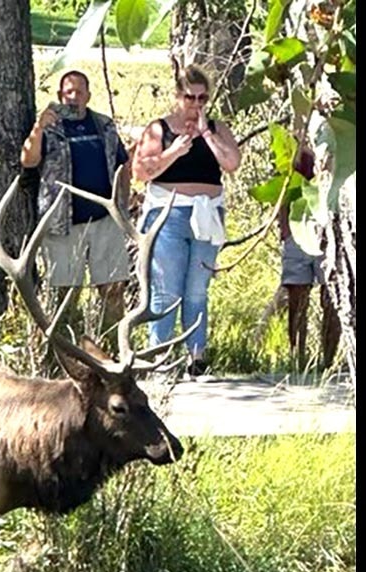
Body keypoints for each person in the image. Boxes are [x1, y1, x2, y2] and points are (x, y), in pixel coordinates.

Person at [130, 64, 241, 378]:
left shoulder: (217, 128)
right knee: (167, 290)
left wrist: (206, 134)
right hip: (169, 213)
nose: (196, 105)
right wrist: (173, 152)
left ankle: (196, 357)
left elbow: (232, 163)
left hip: (207, 214)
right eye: (190, 98)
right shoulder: (159, 129)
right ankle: (158, 359)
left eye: (202, 98)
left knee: (197, 290)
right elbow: (141, 171)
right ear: (178, 97)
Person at [20, 70, 131, 338]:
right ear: (60, 96)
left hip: (105, 221)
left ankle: (113, 350)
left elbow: (122, 164)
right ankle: (63, 351)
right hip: (62, 224)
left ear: (88, 96)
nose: (74, 97)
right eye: (68, 92)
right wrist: (38, 128)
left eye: (79, 92)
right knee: (65, 294)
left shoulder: (103, 125)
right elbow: (28, 161)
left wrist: (124, 208)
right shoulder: (49, 129)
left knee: (113, 289)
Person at [280, 145, 341, 371]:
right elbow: (284, 185)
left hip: (332, 228)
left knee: (333, 295)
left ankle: (328, 362)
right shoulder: (295, 142)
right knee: (297, 294)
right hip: (299, 225)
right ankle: (297, 360)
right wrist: (286, 230)